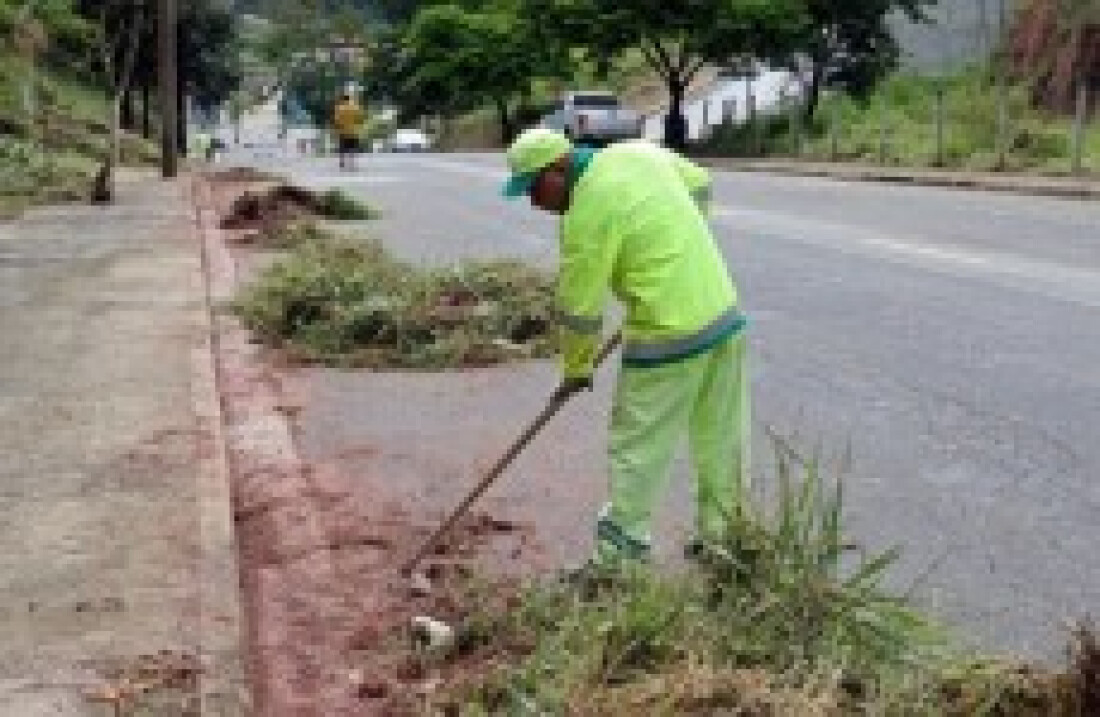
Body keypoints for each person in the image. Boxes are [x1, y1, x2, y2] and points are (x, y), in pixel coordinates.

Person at [501, 128, 749, 566]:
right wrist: (672, 244)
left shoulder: (585, 213)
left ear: (558, 169)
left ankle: (619, 560)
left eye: (534, 189)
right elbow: (700, 183)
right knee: (720, 438)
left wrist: (577, 369)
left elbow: (580, 309)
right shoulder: (636, 153)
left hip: (667, 334)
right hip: (721, 312)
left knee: (637, 446)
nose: (535, 203)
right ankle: (723, 539)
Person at [333, 92, 364, 170]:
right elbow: (359, 119)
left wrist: (336, 129)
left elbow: (337, 120)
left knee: (342, 147)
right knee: (352, 148)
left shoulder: (340, 108)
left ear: (342, 99)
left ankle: (342, 161)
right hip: (353, 131)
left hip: (343, 131)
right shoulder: (354, 107)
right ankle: (351, 162)